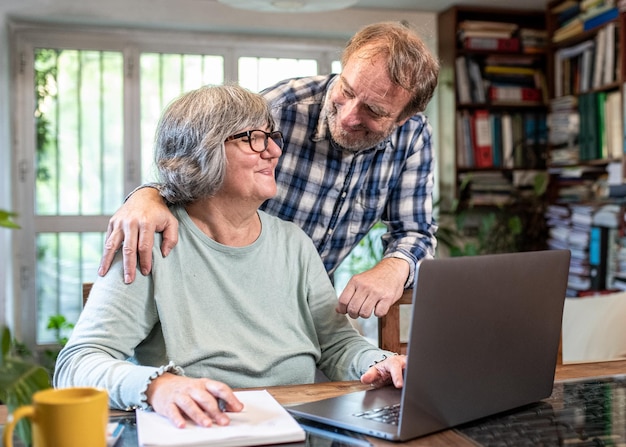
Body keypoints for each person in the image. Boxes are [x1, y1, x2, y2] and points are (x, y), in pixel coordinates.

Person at [54, 84, 406, 429]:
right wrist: (157, 386)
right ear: (201, 151)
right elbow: (76, 365)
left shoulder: (293, 242)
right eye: (252, 138)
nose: (273, 152)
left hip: (298, 424)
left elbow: (337, 344)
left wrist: (380, 363)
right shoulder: (148, 238)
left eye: (272, 137)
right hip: (201, 428)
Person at [97, 21, 440, 319]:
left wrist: (395, 268)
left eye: (374, 110)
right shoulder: (277, 109)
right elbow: (192, 168)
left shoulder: (412, 137)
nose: (350, 116)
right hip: (225, 294)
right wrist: (147, 196)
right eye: (346, 90)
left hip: (308, 306)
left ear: (404, 117)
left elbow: (415, 231)